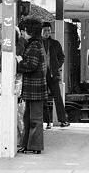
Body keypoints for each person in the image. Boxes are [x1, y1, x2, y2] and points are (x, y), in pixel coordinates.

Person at [16, 18, 48, 154]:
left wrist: (20, 61)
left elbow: (31, 65)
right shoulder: (34, 44)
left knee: (35, 118)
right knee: (27, 117)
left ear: (28, 31)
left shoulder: (34, 45)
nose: (22, 33)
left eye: (23, 31)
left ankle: (35, 146)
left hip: (35, 88)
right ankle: (26, 144)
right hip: (32, 88)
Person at [41, 22, 69, 128]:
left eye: (48, 30)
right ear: (41, 31)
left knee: (57, 97)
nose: (47, 32)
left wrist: (57, 66)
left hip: (53, 74)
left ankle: (63, 120)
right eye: (45, 30)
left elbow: (62, 56)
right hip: (41, 75)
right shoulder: (38, 43)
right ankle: (47, 122)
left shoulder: (55, 43)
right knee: (43, 99)